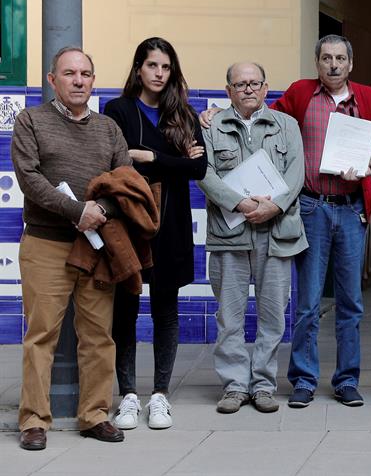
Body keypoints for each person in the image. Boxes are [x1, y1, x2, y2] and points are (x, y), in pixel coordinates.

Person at [200, 35, 371, 408]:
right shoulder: (300, 95)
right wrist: (211, 112)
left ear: (351, 63)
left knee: (351, 302)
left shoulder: (368, 99)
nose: (333, 65)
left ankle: (346, 381)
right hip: (311, 208)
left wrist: (368, 163)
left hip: (349, 208)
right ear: (316, 64)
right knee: (307, 303)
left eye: (340, 59)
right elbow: (254, 113)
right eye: (326, 58)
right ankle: (302, 379)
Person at [12, 47, 132, 450]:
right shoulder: (31, 121)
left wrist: (101, 208)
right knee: (41, 334)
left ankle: (95, 414)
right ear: (52, 80)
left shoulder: (108, 128)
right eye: (69, 74)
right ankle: (33, 420)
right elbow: (29, 178)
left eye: (85, 74)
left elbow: (125, 182)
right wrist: (76, 210)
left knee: (99, 334)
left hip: (97, 247)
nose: (79, 81)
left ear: (93, 80)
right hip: (47, 244)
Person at [103, 37, 206, 430]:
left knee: (166, 309)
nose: (160, 74)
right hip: (129, 221)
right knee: (125, 308)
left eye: (166, 67)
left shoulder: (183, 114)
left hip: (172, 221)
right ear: (138, 69)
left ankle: (160, 395)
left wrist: (150, 157)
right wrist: (174, 160)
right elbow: (118, 161)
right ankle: (128, 395)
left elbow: (198, 170)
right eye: (152, 66)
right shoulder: (119, 110)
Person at [197, 62, 307, 415]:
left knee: (273, 314)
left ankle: (262, 384)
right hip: (230, 234)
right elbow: (203, 173)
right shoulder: (211, 126)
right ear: (228, 90)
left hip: (276, 232)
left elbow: (296, 173)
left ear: (265, 88)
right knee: (229, 316)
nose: (247, 89)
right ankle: (233, 385)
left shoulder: (286, 125)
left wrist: (273, 206)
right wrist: (239, 202)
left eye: (254, 83)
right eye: (240, 84)